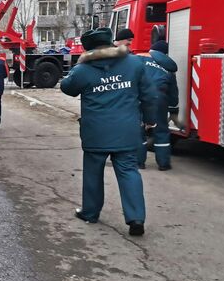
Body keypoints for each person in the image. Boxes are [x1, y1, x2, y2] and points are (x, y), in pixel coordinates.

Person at [60, 27, 157, 237]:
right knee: (129, 171)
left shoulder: (83, 70)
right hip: (127, 129)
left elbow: (67, 88)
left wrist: (79, 65)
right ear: (111, 42)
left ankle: (90, 212)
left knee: (93, 172)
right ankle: (136, 218)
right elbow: (149, 94)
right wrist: (149, 119)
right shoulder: (134, 63)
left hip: (96, 131)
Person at [138, 42, 179, 170]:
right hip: (159, 98)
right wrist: (173, 110)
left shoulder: (139, 59)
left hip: (140, 96)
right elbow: (173, 94)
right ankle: (164, 163)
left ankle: (138, 162)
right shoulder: (168, 68)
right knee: (161, 130)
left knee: (138, 130)